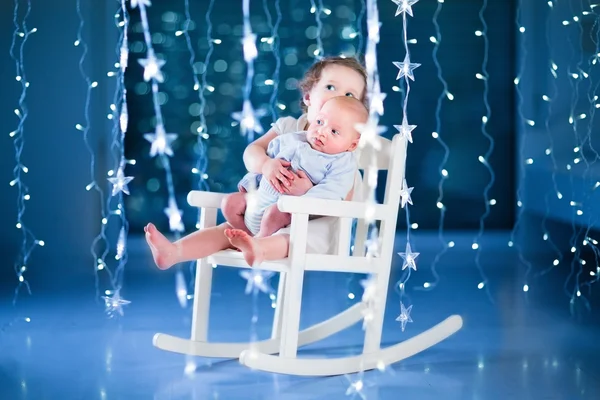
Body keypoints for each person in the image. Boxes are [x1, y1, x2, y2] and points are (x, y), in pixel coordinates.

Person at [145, 56, 367, 270]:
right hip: (263, 208)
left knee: (286, 237)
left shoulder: (343, 153)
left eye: (350, 94)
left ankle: (258, 247)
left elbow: (341, 196)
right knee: (228, 223)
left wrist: (307, 191)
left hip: (308, 228)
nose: (339, 97)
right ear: (308, 96)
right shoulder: (289, 129)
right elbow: (252, 152)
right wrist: (266, 165)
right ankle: (174, 252)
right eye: (331, 87)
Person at [223, 95, 368, 266]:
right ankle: (247, 237)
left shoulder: (341, 163)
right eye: (320, 122)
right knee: (230, 203)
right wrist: (250, 183)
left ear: (351, 145)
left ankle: (259, 242)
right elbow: (269, 161)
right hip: (260, 199)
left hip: (285, 211)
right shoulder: (292, 139)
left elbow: (333, 192)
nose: (321, 132)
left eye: (334, 131)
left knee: (275, 212)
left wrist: (305, 194)